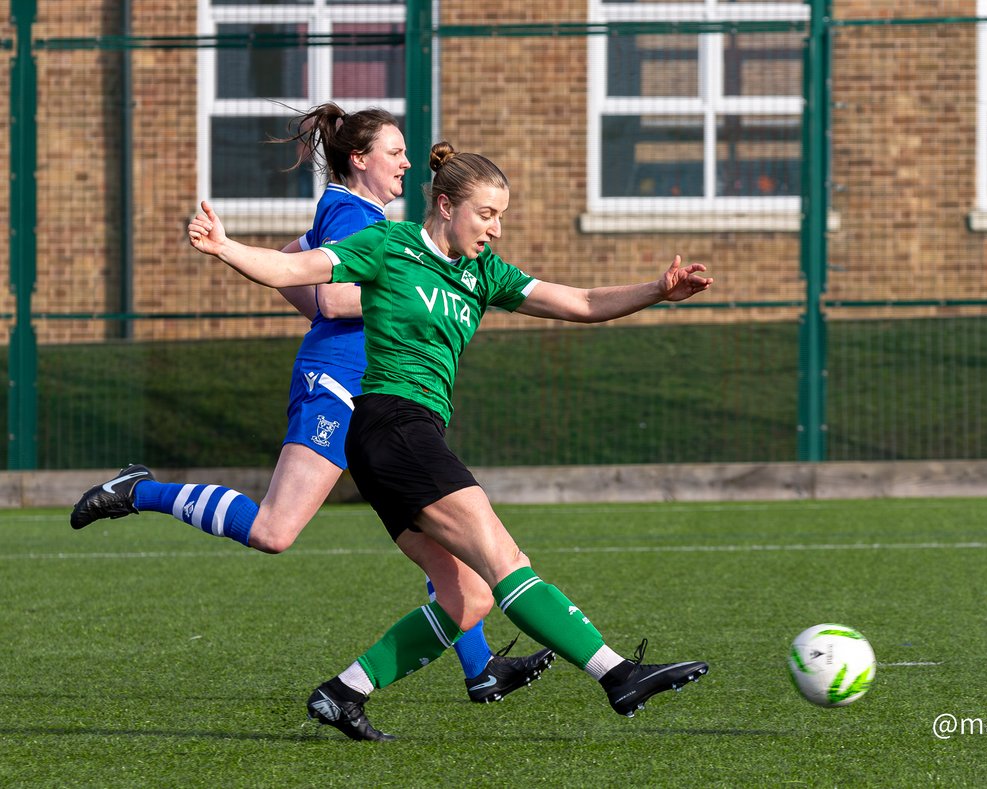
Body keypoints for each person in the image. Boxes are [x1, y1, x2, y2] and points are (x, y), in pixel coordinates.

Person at [186, 140, 713, 741]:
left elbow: (584, 302)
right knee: (505, 560)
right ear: (445, 205)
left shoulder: (483, 273)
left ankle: (343, 693)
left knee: (469, 597)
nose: (495, 228)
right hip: (392, 425)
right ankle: (617, 674)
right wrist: (224, 246)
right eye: (487, 214)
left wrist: (657, 289)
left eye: (502, 217)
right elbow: (292, 271)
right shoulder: (391, 245)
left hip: (402, 437)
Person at [70, 105, 553, 707]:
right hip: (341, 382)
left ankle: (478, 667)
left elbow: (295, 269)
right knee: (275, 530)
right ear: (360, 159)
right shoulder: (353, 212)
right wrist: (405, 290)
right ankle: (140, 491)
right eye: (394, 152)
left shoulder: (355, 214)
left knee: (437, 523)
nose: (408, 162)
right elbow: (330, 294)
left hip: (377, 389)